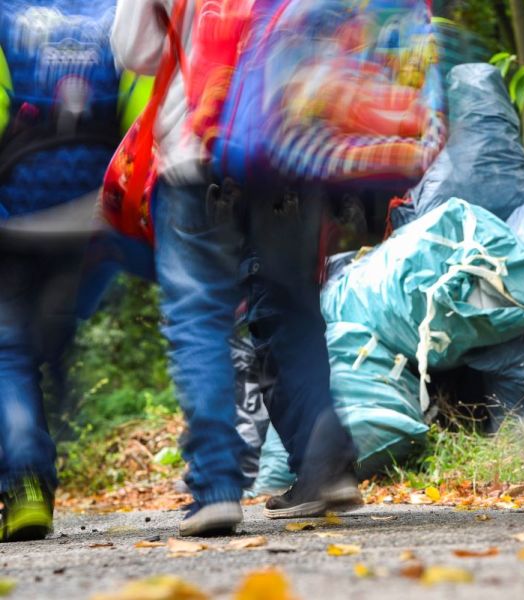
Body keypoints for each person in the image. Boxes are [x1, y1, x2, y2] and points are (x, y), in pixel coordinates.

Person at [111, 0, 362, 532]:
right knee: (293, 308)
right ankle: (326, 463)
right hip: (289, 145)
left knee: (199, 317)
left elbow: (136, 50)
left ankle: (217, 487)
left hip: (197, 150)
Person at [0, 0, 147, 542]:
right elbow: (139, 116)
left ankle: (26, 480)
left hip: (14, 214)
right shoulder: (115, 12)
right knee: (49, 344)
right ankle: (45, 442)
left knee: (8, 352)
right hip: (92, 212)